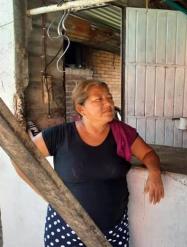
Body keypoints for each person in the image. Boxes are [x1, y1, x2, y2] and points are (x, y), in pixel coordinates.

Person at [30, 79, 164, 247]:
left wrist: (154, 172)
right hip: (66, 228)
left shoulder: (122, 133)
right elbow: (22, 156)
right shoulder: (60, 135)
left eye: (109, 98)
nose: (108, 103)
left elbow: (148, 154)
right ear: (81, 109)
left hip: (114, 230)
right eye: (98, 99)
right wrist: (45, 193)